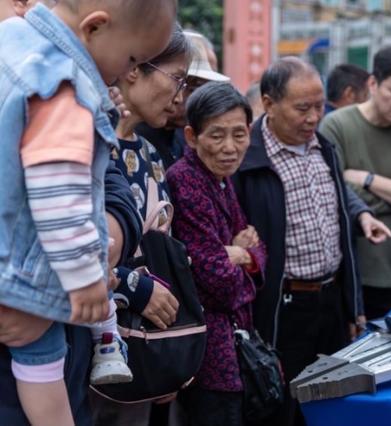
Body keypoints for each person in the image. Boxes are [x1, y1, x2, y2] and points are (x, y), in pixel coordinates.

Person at [0, 1, 175, 425]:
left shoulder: (11, 43)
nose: (125, 72)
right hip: (23, 273)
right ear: (95, 27)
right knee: (42, 357)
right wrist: (84, 280)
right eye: (132, 58)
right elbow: (60, 196)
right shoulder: (63, 91)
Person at [232, 57, 391, 426]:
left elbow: (337, 203)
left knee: (333, 402)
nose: (313, 117)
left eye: (320, 107)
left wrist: (352, 304)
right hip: (281, 309)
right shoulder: (248, 160)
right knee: (283, 408)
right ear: (269, 103)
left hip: (330, 300)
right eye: (302, 108)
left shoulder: (324, 147)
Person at [90, 25, 190, 426]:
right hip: (90, 342)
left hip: (142, 348)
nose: (180, 96)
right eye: (177, 79)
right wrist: (135, 286)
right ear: (135, 69)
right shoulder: (88, 142)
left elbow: (163, 250)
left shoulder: (150, 153)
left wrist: (166, 352)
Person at [167, 82, 266, 426]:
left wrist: (240, 255)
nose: (229, 147)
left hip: (233, 345)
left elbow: (258, 252)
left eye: (239, 135)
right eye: (217, 135)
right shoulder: (186, 182)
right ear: (192, 137)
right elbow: (218, 282)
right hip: (208, 355)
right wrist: (240, 256)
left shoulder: (221, 180)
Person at [320, 46, 391, 318]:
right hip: (342, 268)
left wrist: (366, 179)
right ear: (372, 83)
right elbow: (332, 193)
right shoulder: (336, 125)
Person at [137, 30, 229, 169]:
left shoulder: (188, 141)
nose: (180, 97)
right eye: (179, 82)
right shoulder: (133, 137)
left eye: (202, 90)